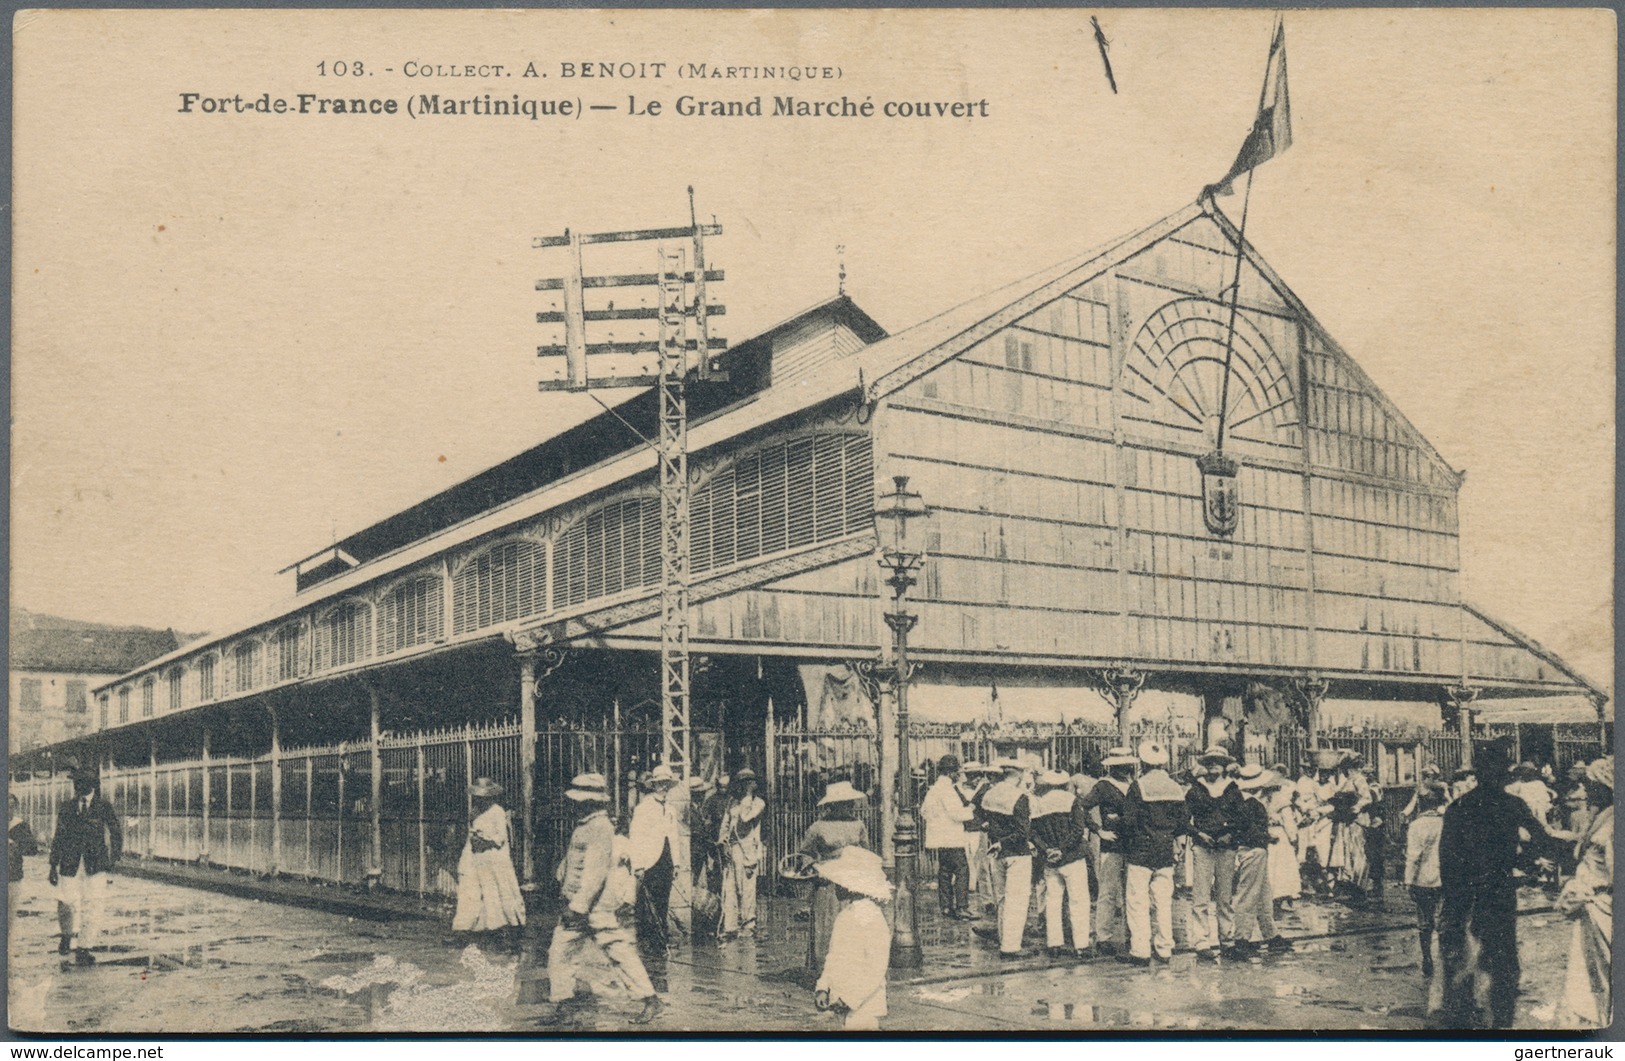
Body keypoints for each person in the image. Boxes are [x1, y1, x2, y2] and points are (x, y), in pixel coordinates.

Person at [1435, 738, 1557, 1029]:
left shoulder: (1458, 807)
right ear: (1504, 773)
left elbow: (1447, 860)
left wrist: (1452, 901)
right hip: (1499, 892)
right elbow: (1542, 841)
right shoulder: (1512, 805)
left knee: (1461, 964)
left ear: (1476, 772)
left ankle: (1463, 1023)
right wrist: (1527, 862)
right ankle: (1499, 1028)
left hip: (1464, 894)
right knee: (1501, 965)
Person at [539, 773, 661, 1027]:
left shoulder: (600, 827)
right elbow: (575, 861)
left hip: (593, 906)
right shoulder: (585, 825)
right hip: (581, 904)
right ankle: (564, 1003)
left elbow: (595, 873)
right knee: (562, 952)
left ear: (590, 802)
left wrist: (578, 906)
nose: (574, 804)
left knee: (616, 952)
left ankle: (649, 999)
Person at [1556, 757, 1612, 1027]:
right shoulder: (1602, 817)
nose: (1586, 791)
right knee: (1594, 972)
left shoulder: (1612, 823)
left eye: (1591, 785)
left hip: (1604, 907)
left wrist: (1589, 890)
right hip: (1593, 906)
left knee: (1606, 972)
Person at [1120, 740, 1185, 966]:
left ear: (1143, 763)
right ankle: (1165, 948)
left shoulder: (1138, 786)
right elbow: (1182, 822)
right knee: (1163, 901)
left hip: (1141, 850)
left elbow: (1128, 821)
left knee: (1138, 901)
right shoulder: (1175, 787)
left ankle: (1140, 950)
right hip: (1165, 849)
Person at [813, 846, 893, 1031]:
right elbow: (834, 955)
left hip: (865, 1005)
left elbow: (876, 967)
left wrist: (850, 998)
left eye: (840, 881)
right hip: (843, 1000)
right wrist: (823, 986)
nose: (836, 886)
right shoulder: (846, 914)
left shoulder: (871, 918)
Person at [48, 764, 121, 964]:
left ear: (92, 785)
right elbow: (59, 836)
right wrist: (52, 865)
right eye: (75, 782)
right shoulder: (67, 807)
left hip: (95, 863)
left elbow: (115, 831)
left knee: (95, 905)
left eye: (81, 782)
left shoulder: (103, 806)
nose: (77, 786)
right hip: (69, 862)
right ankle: (66, 934)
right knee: (65, 902)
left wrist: (114, 857)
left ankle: (84, 947)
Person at [799, 779, 870, 974]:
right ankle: (827, 971)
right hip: (828, 883)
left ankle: (853, 969)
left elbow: (866, 851)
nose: (847, 807)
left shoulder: (858, 825)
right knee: (829, 925)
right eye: (842, 803)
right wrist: (814, 868)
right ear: (832, 805)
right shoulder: (818, 827)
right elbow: (805, 853)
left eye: (849, 803)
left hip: (853, 882)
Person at [451, 777, 526, 946]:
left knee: (502, 891)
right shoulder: (476, 811)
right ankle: (484, 929)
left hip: (495, 857)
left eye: (483, 796)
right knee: (482, 893)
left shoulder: (497, 811)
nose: (480, 799)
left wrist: (485, 837)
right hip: (479, 857)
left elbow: (501, 838)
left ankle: (513, 929)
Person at [1186, 746, 1243, 960]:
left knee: (1225, 895)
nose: (1213, 767)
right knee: (1200, 895)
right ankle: (1201, 941)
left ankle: (1227, 939)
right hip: (1203, 845)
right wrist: (1198, 834)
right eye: (1209, 763)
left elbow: (1241, 819)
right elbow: (1185, 818)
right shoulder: (1195, 790)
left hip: (1226, 846)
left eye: (1217, 762)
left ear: (1225, 765)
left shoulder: (1233, 789)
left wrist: (1231, 835)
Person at [1031, 769, 1091, 958]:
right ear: (1066, 783)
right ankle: (1081, 945)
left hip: (1050, 860)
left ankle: (1054, 943)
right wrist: (1062, 849)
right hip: (1071, 857)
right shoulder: (1072, 800)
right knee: (1078, 900)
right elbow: (1078, 829)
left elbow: (1033, 832)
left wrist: (1047, 849)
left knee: (1053, 900)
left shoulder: (1040, 803)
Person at [1231, 766, 1291, 955]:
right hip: (1254, 851)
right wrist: (1269, 837)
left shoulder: (1240, 801)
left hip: (1252, 851)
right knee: (1248, 896)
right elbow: (1252, 832)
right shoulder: (1253, 804)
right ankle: (1241, 938)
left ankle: (1270, 934)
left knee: (1264, 894)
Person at [977, 758, 1034, 958]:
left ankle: (1004, 939)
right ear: (1018, 775)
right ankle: (1010, 947)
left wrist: (997, 839)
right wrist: (1005, 841)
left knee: (1001, 899)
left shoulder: (990, 793)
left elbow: (982, 818)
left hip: (996, 853)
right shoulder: (1020, 797)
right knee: (1016, 901)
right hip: (1016, 853)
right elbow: (1022, 832)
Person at [1083, 746, 1135, 955]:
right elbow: (1081, 806)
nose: (1124, 769)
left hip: (1133, 845)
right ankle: (1103, 936)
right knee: (1108, 891)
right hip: (1112, 844)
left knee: (1132, 892)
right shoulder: (1103, 786)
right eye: (1119, 766)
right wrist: (1098, 830)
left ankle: (1132, 935)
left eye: (1126, 765)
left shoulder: (1134, 785)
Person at [628, 763, 682, 954]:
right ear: (654, 785)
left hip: (666, 860)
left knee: (663, 901)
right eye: (660, 784)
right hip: (650, 860)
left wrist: (676, 863)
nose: (664, 787)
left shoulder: (671, 809)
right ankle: (650, 941)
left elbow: (674, 836)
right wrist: (638, 865)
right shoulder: (644, 808)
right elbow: (636, 837)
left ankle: (660, 939)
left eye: (667, 784)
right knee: (647, 902)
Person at [921, 754, 975, 921]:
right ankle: (962, 907)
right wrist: (970, 809)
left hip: (939, 839)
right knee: (962, 871)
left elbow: (924, 811)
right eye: (957, 772)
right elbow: (956, 814)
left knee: (945, 872)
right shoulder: (947, 790)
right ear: (951, 773)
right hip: (952, 838)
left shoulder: (934, 789)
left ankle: (946, 906)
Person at [1404, 781, 1448, 978]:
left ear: (1420, 804)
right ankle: (1447, 959)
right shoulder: (1446, 822)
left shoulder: (1416, 826)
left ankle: (1427, 958)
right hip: (1445, 878)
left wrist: (1408, 881)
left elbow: (1413, 856)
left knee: (1424, 922)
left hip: (1422, 880)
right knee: (1445, 920)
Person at [718, 768, 765, 940]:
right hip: (733, 848)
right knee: (730, 887)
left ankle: (748, 924)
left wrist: (747, 796)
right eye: (741, 782)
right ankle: (730, 925)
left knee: (747, 888)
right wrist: (723, 841)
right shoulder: (732, 803)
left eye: (747, 782)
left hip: (748, 850)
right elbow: (725, 824)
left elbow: (745, 818)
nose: (743, 785)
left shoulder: (758, 803)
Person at [1326, 752, 1372, 902]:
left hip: (1356, 820)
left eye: (1346, 768)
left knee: (1357, 852)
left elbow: (1366, 798)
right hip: (1346, 820)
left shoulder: (1359, 779)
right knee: (1347, 852)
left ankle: (1359, 886)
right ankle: (1350, 885)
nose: (1345, 771)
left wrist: (1355, 808)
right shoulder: (1348, 780)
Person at [1296, 749, 1340, 899]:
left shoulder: (1332, 787)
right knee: (1306, 851)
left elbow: (1333, 805)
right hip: (1309, 822)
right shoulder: (1308, 784)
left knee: (1324, 852)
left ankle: (1327, 884)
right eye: (1321, 772)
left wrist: (1320, 811)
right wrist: (1307, 810)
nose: (1324, 776)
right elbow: (1300, 800)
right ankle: (1307, 883)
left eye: (1327, 773)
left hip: (1324, 823)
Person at [1265, 769, 1301, 912]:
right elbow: (1288, 821)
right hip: (1279, 834)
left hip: (1267, 834)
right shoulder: (1282, 800)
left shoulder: (1263, 799)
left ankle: (1271, 897)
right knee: (1284, 866)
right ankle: (1283, 897)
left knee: (1270, 866)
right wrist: (1293, 837)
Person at [1361, 764, 1388, 909]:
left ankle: (1376, 887)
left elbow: (1377, 806)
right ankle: (1374, 886)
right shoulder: (1372, 788)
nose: (1367, 776)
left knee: (1374, 855)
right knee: (1372, 855)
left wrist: (1376, 820)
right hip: (1373, 822)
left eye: (1369, 774)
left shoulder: (1374, 788)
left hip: (1375, 824)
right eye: (1365, 773)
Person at [9, 793, 37, 921]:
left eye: (11, 807)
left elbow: (32, 849)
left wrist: (16, 846)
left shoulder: (20, 826)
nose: (8, 810)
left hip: (13, 876)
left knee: (9, 915)